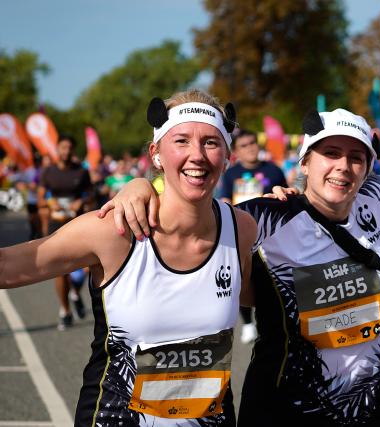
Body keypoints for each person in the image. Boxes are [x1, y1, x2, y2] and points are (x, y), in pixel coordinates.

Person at [102, 111, 380, 427]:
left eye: (355, 157)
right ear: (304, 162)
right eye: (329, 153)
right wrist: (141, 187)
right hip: (287, 410)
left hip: (372, 407)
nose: (342, 166)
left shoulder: (373, 202)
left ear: (367, 168)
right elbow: (189, 213)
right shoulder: (263, 216)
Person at [1, 89, 257, 426]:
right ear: (156, 154)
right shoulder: (113, 231)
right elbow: (7, 267)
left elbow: (265, 292)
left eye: (211, 142)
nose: (197, 155)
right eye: (181, 140)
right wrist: (138, 184)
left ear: (227, 157)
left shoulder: (240, 229)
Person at [220, 128, 288, 344]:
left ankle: (277, 321)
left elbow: (288, 199)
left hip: (273, 236)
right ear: (236, 152)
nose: (250, 148)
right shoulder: (231, 174)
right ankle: (248, 323)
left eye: (252, 143)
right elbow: (225, 200)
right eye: (244, 145)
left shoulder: (274, 170)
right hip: (243, 235)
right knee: (243, 278)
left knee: (274, 281)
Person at [38, 135, 93, 330]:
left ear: (73, 150)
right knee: (60, 270)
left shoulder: (82, 172)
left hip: (78, 224)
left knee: (86, 267)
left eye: (70, 148)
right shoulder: (49, 172)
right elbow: (41, 196)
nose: (66, 151)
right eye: (63, 147)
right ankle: (65, 311)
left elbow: (90, 194)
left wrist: (82, 201)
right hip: (56, 224)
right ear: (57, 149)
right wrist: (49, 202)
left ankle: (75, 293)